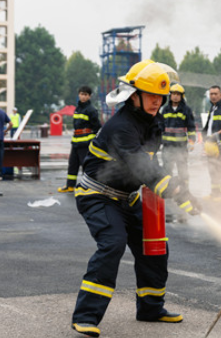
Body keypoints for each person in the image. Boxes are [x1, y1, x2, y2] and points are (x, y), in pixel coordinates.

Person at [71, 60, 200, 337]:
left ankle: (151, 308)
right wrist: (173, 190)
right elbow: (140, 165)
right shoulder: (121, 126)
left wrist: (183, 191)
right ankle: (85, 316)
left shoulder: (153, 124)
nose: (157, 102)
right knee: (113, 244)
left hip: (126, 198)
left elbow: (155, 165)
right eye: (151, 95)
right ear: (134, 95)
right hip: (97, 195)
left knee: (155, 244)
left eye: (160, 97)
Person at [58, 86, 102, 193]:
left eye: (86, 94)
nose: (83, 96)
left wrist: (91, 142)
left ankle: (88, 187)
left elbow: (97, 128)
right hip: (76, 142)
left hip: (86, 143)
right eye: (82, 94)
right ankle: (70, 186)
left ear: (89, 96)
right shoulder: (77, 109)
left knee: (86, 166)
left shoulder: (91, 110)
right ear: (79, 95)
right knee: (73, 164)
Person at [160, 83, 196, 189]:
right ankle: (169, 189)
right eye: (173, 94)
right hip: (167, 146)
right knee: (167, 169)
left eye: (178, 94)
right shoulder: (165, 110)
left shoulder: (186, 110)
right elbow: (160, 127)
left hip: (181, 147)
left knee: (183, 169)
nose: (175, 96)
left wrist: (192, 141)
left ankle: (185, 189)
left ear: (182, 96)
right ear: (170, 95)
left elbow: (191, 127)